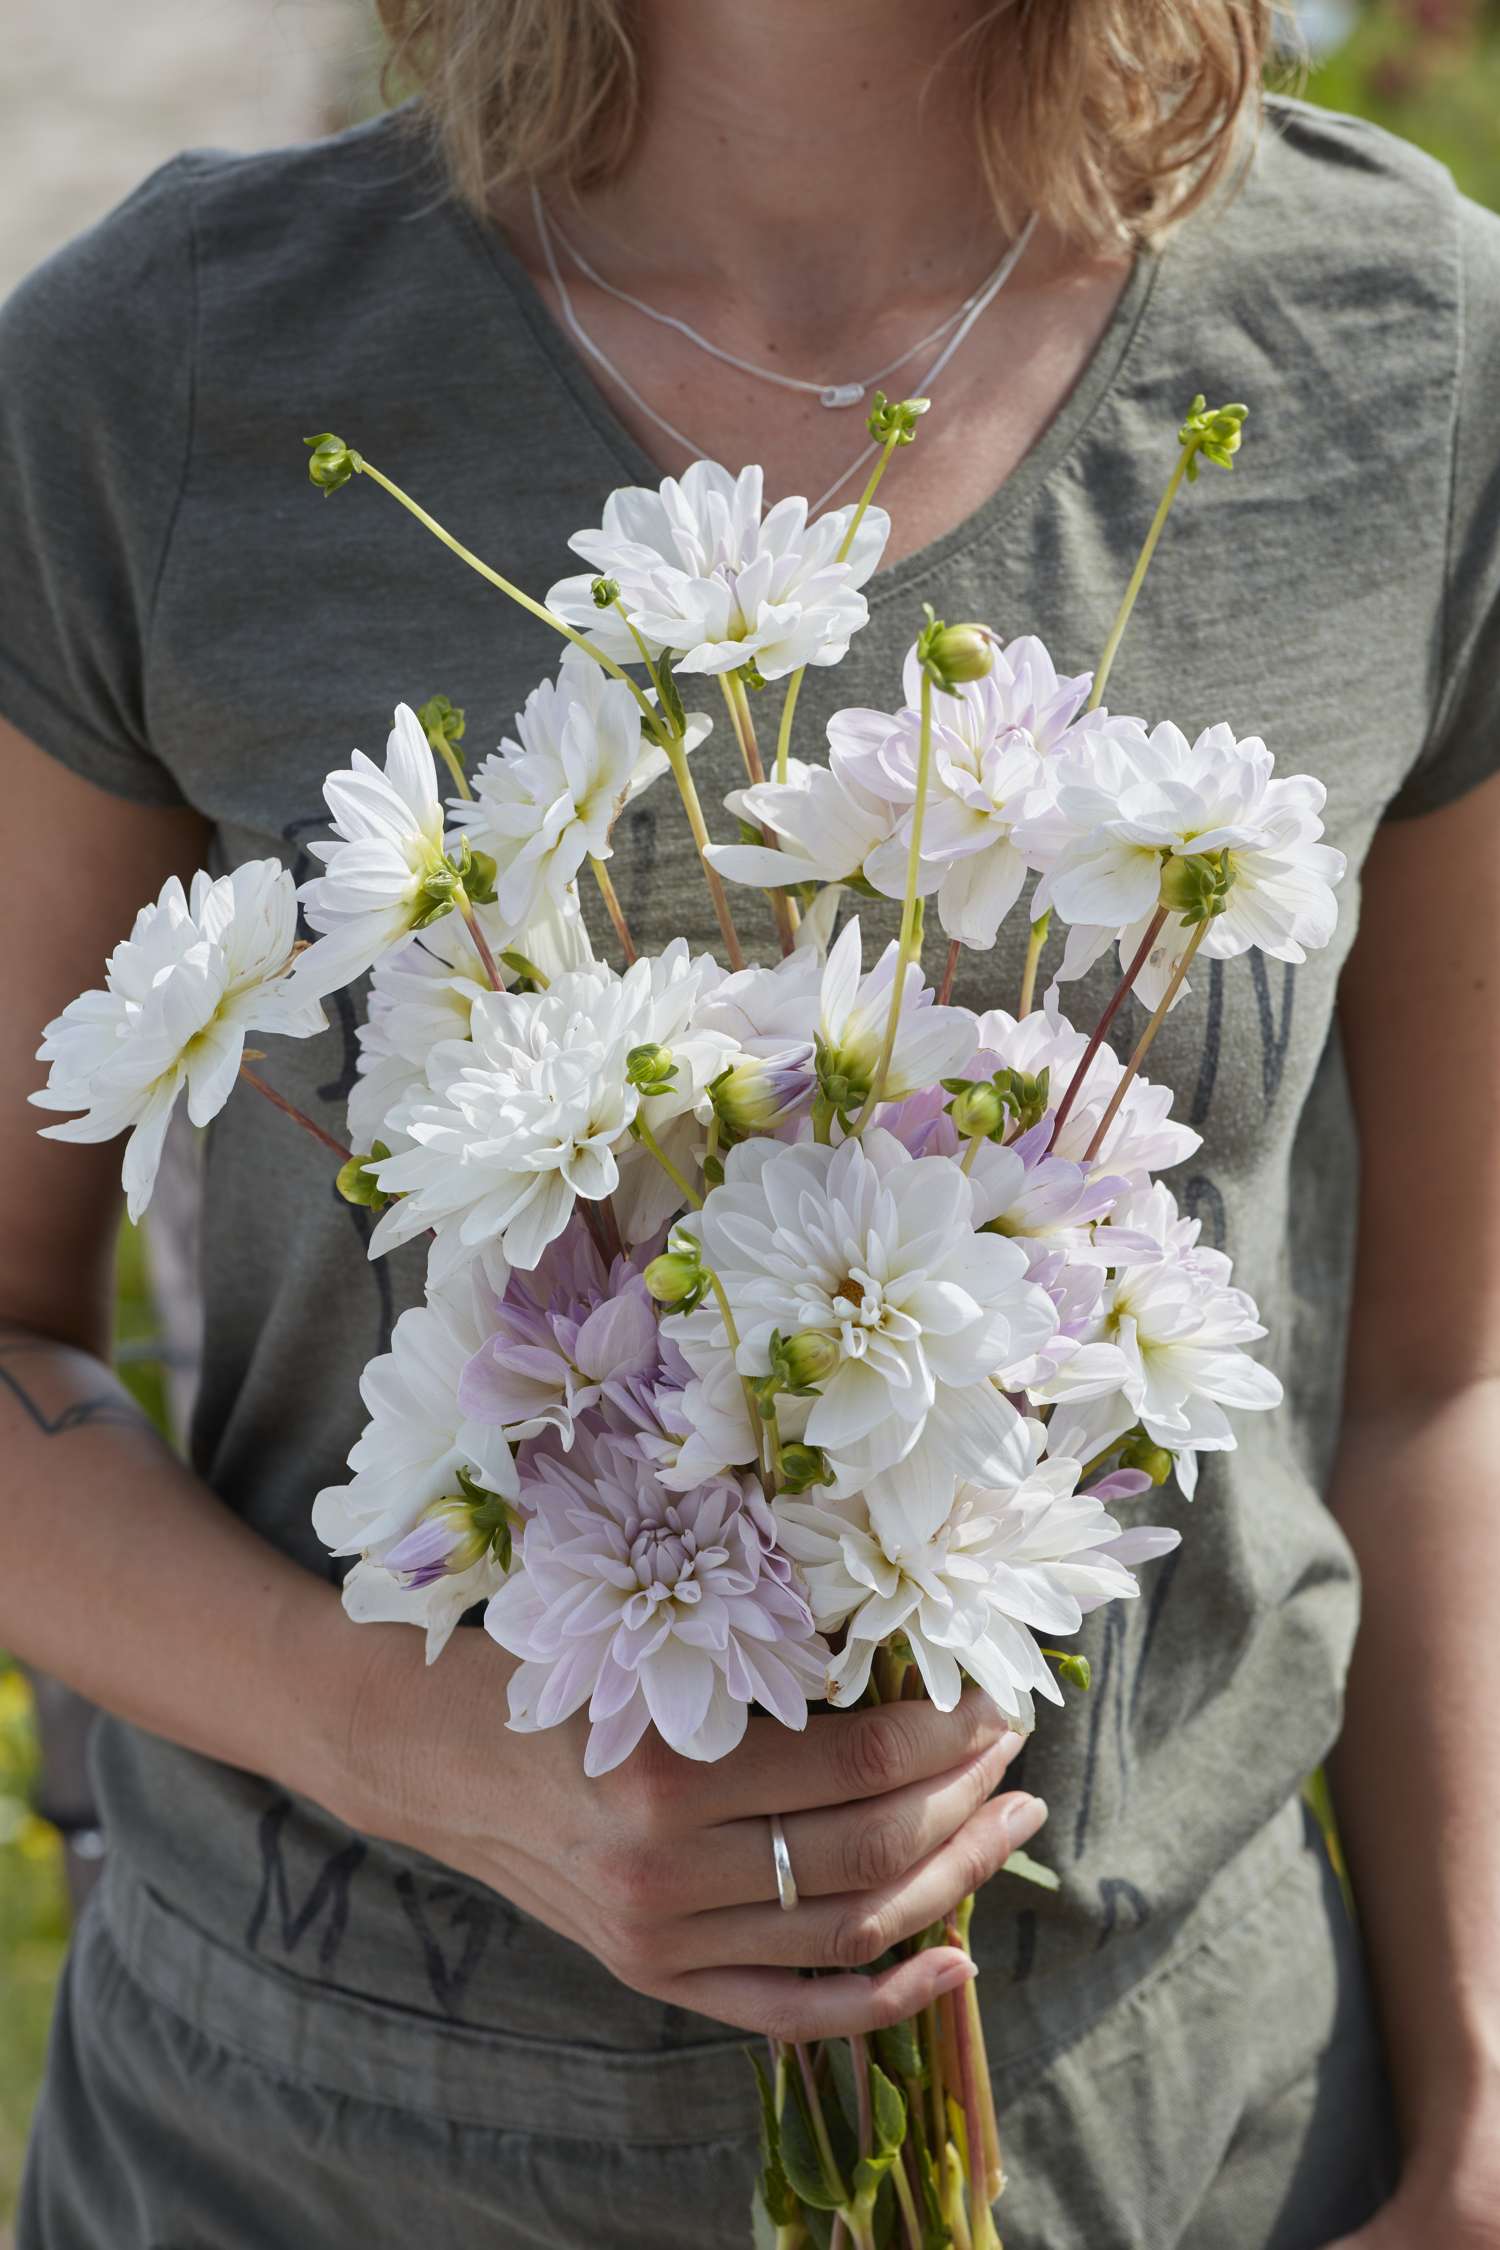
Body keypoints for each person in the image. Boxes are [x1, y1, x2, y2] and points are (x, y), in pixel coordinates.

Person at [1, 3, 1497, 2243]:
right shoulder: (172, 365)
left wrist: (1481, 2114)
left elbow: (1443, 1378)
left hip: (1180, 2157)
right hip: (314, 2157)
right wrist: (397, 1734)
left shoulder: (1409, 353)